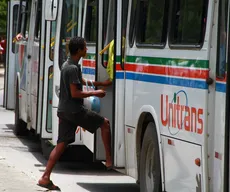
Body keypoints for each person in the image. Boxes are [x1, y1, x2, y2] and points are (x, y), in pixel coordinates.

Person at [38, 37, 112, 191]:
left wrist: (100, 84)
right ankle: (109, 159)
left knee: (61, 145)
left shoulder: (69, 65)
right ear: (78, 50)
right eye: (85, 48)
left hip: (64, 111)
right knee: (104, 123)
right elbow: (75, 93)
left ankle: (45, 177)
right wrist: (95, 92)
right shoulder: (72, 68)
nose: (87, 50)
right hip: (74, 110)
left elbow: (80, 81)